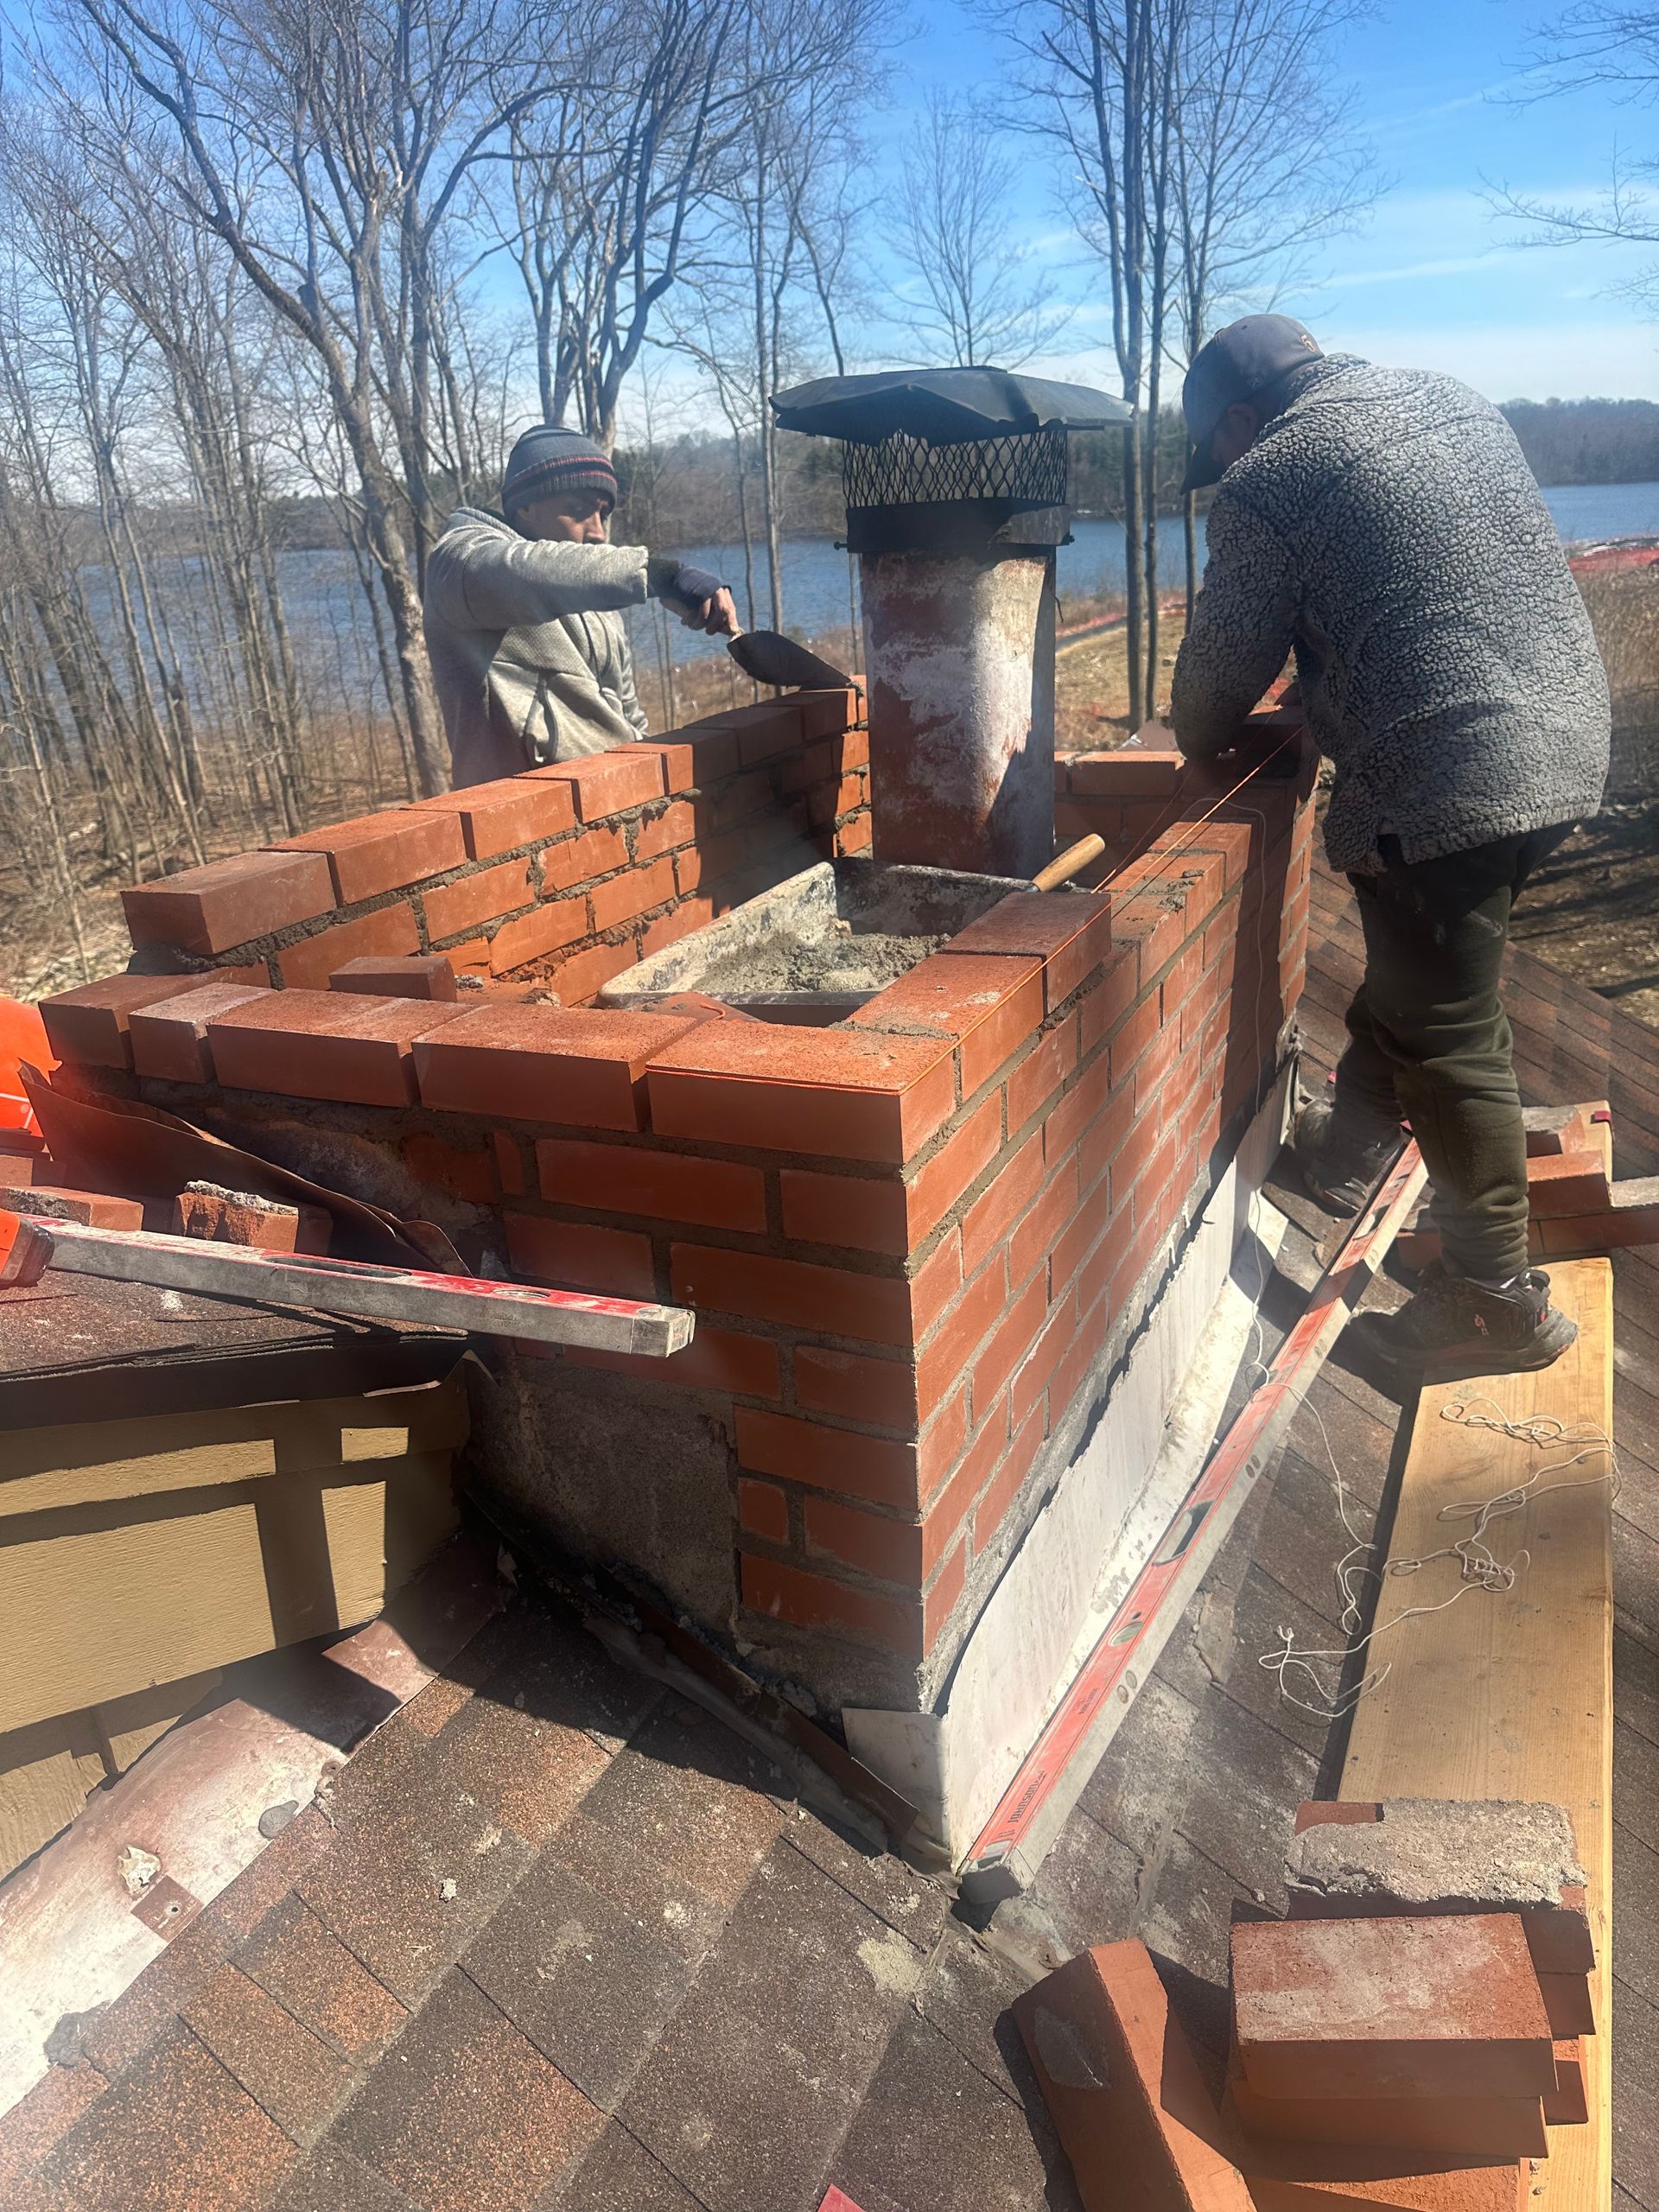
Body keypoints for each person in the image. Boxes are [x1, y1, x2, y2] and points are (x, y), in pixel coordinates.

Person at [1168, 315, 1611, 1376]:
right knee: (1420, 980)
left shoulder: (1272, 473)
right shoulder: (1449, 396)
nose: (1220, 468)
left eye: (1214, 447)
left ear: (1239, 418)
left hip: (1454, 769)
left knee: (1451, 1028)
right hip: (1563, 736)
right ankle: (1346, 1153)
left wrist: (1208, 735)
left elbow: (1211, 689)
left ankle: (1494, 1303)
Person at [423, 425, 740, 787]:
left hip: (614, 802)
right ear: (524, 506)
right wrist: (663, 576)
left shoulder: (595, 598)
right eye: (576, 511)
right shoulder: (461, 566)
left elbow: (626, 710)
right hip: (522, 821)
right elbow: (524, 570)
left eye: (603, 513)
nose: (598, 532)